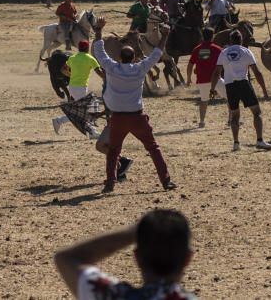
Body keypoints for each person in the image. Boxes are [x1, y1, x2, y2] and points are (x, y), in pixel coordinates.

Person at [92, 17, 176, 193]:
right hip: (137, 117)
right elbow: (157, 53)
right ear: (134, 57)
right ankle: (166, 181)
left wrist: (98, 29)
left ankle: (109, 184)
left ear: (120, 57)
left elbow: (99, 51)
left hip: (118, 117)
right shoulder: (140, 69)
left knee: (113, 152)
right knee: (153, 148)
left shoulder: (111, 68)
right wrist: (165, 35)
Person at [54, 209, 195, 299]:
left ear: (137, 257)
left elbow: (66, 258)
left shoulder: (111, 295)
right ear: (188, 258)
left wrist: (135, 232)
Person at [211, 31, 271, 151]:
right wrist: (264, 90)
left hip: (230, 86)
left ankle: (236, 143)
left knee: (234, 115)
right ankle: (260, 140)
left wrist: (212, 89)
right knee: (257, 112)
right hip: (243, 84)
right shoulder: (246, 51)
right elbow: (257, 73)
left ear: (230, 40)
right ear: (241, 39)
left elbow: (216, 73)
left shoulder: (224, 52)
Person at [52, 41, 105, 134]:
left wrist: (71, 75)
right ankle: (93, 132)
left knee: (82, 110)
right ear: (87, 48)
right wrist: (107, 79)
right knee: (86, 110)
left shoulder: (73, 57)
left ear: (79, 48)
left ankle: (59, 121)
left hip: (72, 87)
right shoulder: (90, 58)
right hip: (80, 87)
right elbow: (98, 71)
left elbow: (63, 69)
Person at [186, 27, 223, 127]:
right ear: (213, 36)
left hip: (202, 80)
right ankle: (230, 119)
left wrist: (188, 79)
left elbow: (190, 65)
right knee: (229, 97)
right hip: (216, 80)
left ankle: (202, 121)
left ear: (202, 36)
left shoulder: (197, 49)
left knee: (204, 100)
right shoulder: (218, 49)